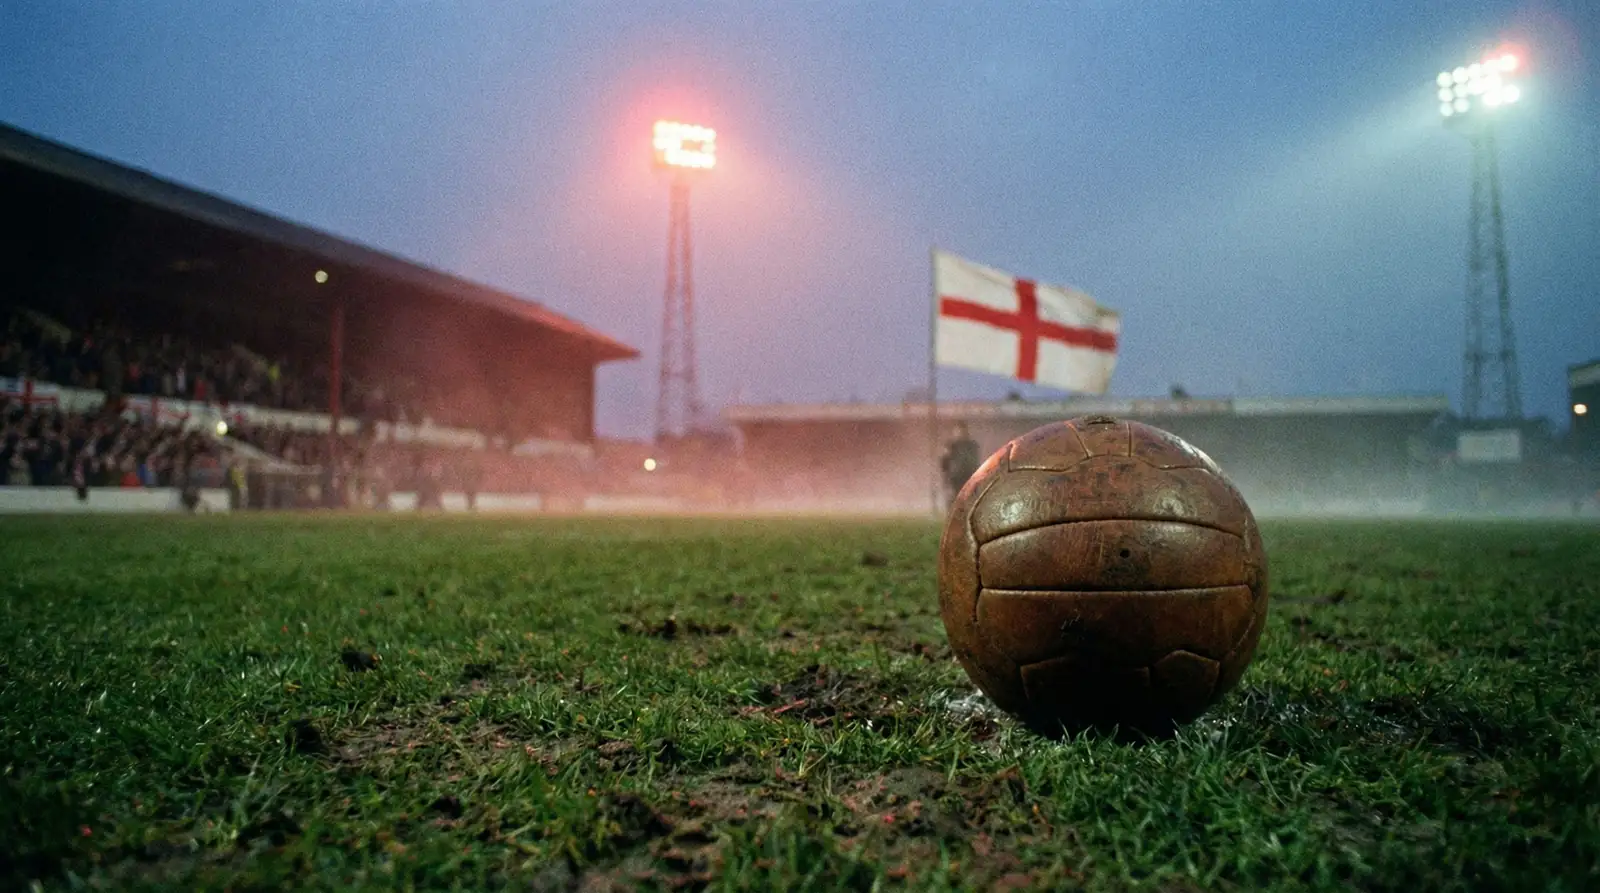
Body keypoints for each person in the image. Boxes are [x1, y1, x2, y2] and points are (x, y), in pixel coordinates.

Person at [940, 422, 981, 507]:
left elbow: (975, 461)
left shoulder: (972, 445)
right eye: (958, 431)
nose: (960, 433)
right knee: (956, 497)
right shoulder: (951, 445)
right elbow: (945, 460)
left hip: (969, 476)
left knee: (970, 498)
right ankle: (953, 515)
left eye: (962, 431)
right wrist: (946, 475)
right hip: (956, 477)